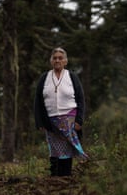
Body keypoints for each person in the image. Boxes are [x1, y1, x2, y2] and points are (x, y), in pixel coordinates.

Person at [34, 47, 88, 177]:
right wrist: (39, 121)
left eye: (60, 58)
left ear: (65, 61)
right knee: (54, 150)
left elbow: (81, 99)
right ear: (51, 61)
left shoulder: (72, 77)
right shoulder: (44, 78)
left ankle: (66, 177)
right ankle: (54, 177)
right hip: (50, 121)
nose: (57, 60)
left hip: (69, 119)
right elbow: (38, 101)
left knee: (67, 150)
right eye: (55, 58)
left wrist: (79, 120)